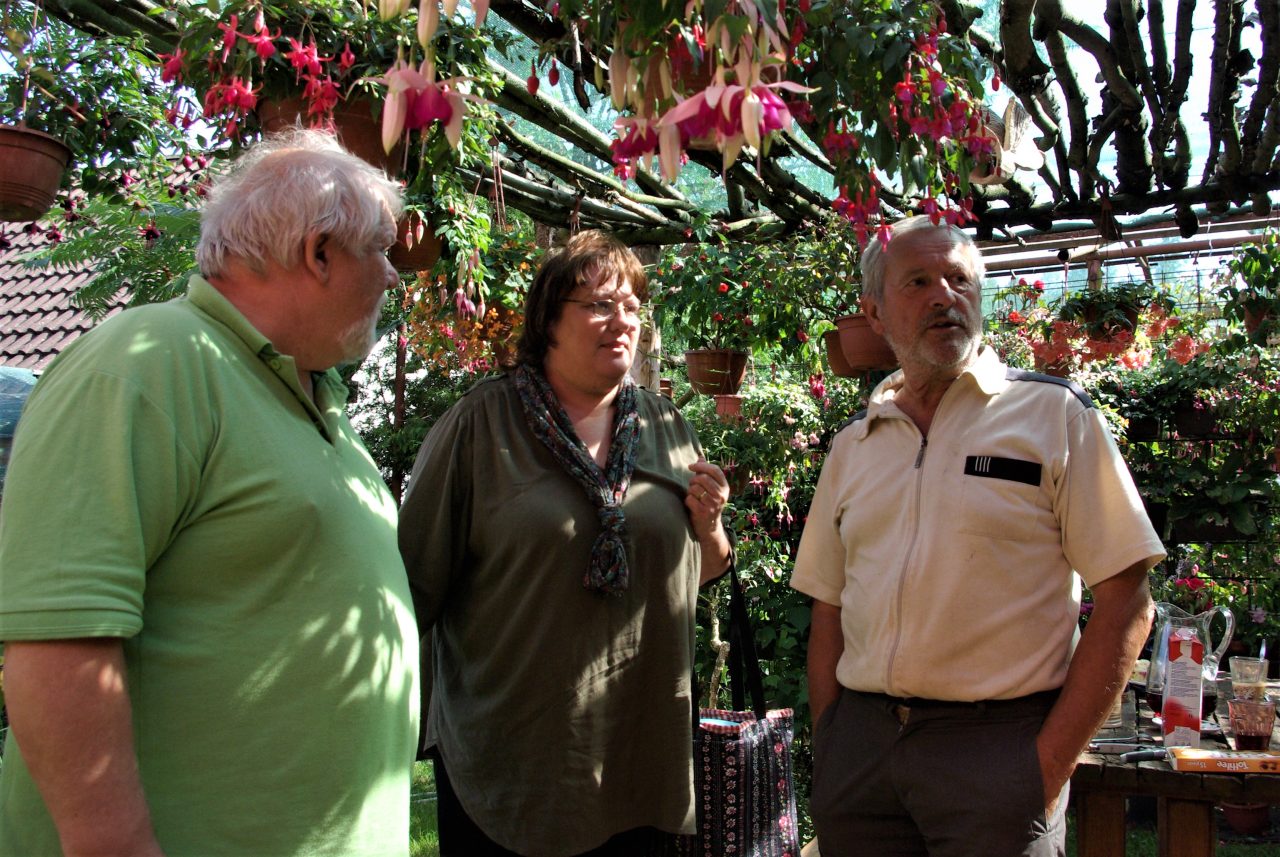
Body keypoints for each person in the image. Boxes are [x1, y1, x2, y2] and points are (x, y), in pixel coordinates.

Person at [0, 130, 420, 857]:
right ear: (319, 252)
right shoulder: (147, 360)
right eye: (380, 251)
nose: (392, 277)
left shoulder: (312, 392)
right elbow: (57, 636)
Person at [792, 215, 1164, 856]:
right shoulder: (854, 444)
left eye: (959, 279)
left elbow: (1128, 599)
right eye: (917, 282)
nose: (944, 295)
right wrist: (834, 739)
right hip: (862, 756)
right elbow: (828, 605)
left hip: (999, 752)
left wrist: (1045, 767)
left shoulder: (1053, 416)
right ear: (874, 313)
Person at [398, 230, 733, 857]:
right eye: (600, 305)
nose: (623, 321)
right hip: (512, 762)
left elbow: (704, 569)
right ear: (549, 321)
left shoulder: (666, 425)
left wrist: (710, 523)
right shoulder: (482, 424)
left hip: (638, 756)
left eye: (631, 306)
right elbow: (412, 583)